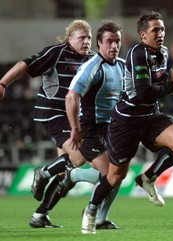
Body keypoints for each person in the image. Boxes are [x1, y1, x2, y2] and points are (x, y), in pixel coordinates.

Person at [80, 10, 173, 234]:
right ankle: (91, 211)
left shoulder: (163, 52)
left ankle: (147, 178)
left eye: (162, 29)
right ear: (143, 35)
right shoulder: (136, 55)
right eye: (155, 30)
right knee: (115, 176)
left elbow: (156, 86)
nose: (160, 34)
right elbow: (143, 93)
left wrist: (170, 81)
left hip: (150, 116)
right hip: (127, 122)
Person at [0, 20, 96, 228]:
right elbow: (25, 64)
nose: (86, 42)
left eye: (89, 38)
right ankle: (43, 172)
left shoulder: (92, 59)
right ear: (70, 38)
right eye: (81, 37)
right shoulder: (55, 53)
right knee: (78, 157)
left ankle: (40, 215)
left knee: (66, 175)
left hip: (76, 117)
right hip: (54, 114)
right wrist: (2, 84)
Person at [58, 20, 124, 229]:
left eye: (117, 42)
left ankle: (102, 218)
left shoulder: (122, 66)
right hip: (89, 129)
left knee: (117, 176)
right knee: (109, 175)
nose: (114, 46)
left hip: (110, 129)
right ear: (99, 44)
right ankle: (73, 176)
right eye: (109, 42)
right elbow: (71, 98)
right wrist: (75, 128)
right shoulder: (92, 67)